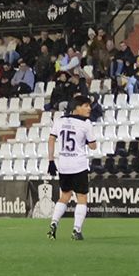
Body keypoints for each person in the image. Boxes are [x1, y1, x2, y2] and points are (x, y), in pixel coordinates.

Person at [47, 94, 97, 241]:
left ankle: (53, 223)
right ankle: (76, 230)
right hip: (78, 164)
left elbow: (51, 139)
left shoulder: (60, 120)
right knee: (81, 197)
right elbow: (93, 146)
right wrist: (87, 141)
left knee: (65, 196)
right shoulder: (86, 123)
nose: (89, 108)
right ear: (77, 108)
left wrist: (51, 161)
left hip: (63, 165)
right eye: (86, 105)